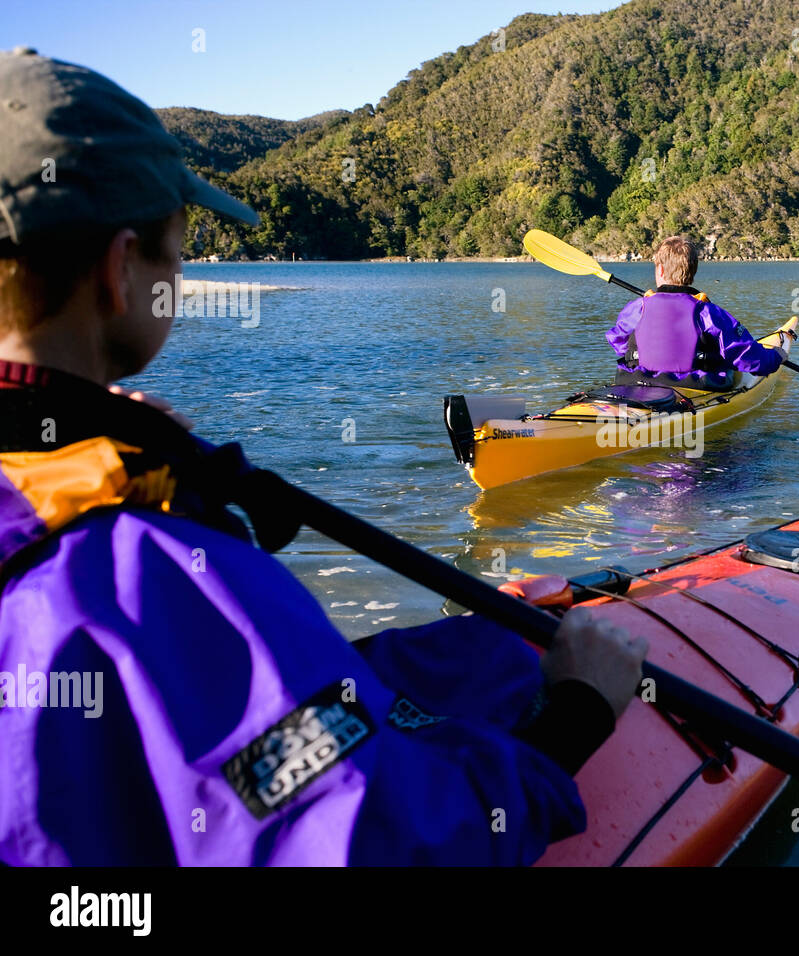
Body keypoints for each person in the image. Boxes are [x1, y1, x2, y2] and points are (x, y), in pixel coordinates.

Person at [0, 48, 648, 865]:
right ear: (119, 270)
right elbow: (385, 847)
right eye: (177, 248)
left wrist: (80, 434)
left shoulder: (62, 477)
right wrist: (578, 715)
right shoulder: (167, 577)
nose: (184, 268)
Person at [606, 236, 791, 389]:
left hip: (637, 383)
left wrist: (655, 349)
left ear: (660, 270)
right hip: (695, 386)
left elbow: (618, 341)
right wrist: (775, 357)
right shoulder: (708, 313)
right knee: (724, 361)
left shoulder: (638, 308)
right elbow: (747, 355)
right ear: (693, 271)